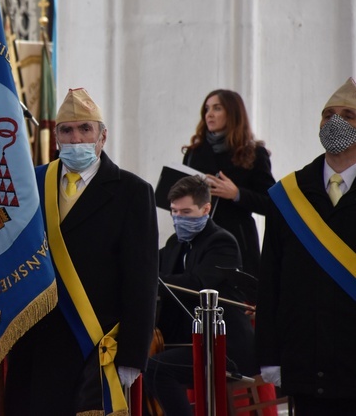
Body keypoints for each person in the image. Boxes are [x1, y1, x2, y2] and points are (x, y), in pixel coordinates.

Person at [5, 88, 159, 415]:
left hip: (94, 342)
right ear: (56, 138)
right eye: (67, 131)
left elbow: (142, 282)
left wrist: (133, 356)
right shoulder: (32, 183)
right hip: (35, 340)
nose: (76, 139)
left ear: (103, 137)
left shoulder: (132, 192)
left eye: (85, 129)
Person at [256, 77, 356, 414]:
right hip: (306, 360)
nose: (336, 122)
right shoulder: (288, 194)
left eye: (348, 114)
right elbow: (270, 280)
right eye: (328, 114)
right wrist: (269, 356)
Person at [144, 175, 256, 415]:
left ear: (206, 209)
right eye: (174, 212)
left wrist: (150, 279)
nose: (178, 219)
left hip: (225, 346)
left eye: (186, 212)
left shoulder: (221, 241)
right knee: (137, 361)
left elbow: (197, 284)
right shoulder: (176, 242)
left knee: (156, 369)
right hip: (190, 341)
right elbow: (151, 267)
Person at [182, 89, 275, 278]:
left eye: (217, 108)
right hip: (200, 238)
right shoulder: (194, 153)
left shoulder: (254, 153)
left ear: (232, 113)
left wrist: (236, 194)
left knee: (237, 301)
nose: (209, 114)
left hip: (238, 239)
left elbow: (271, 203)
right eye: (207, 109)